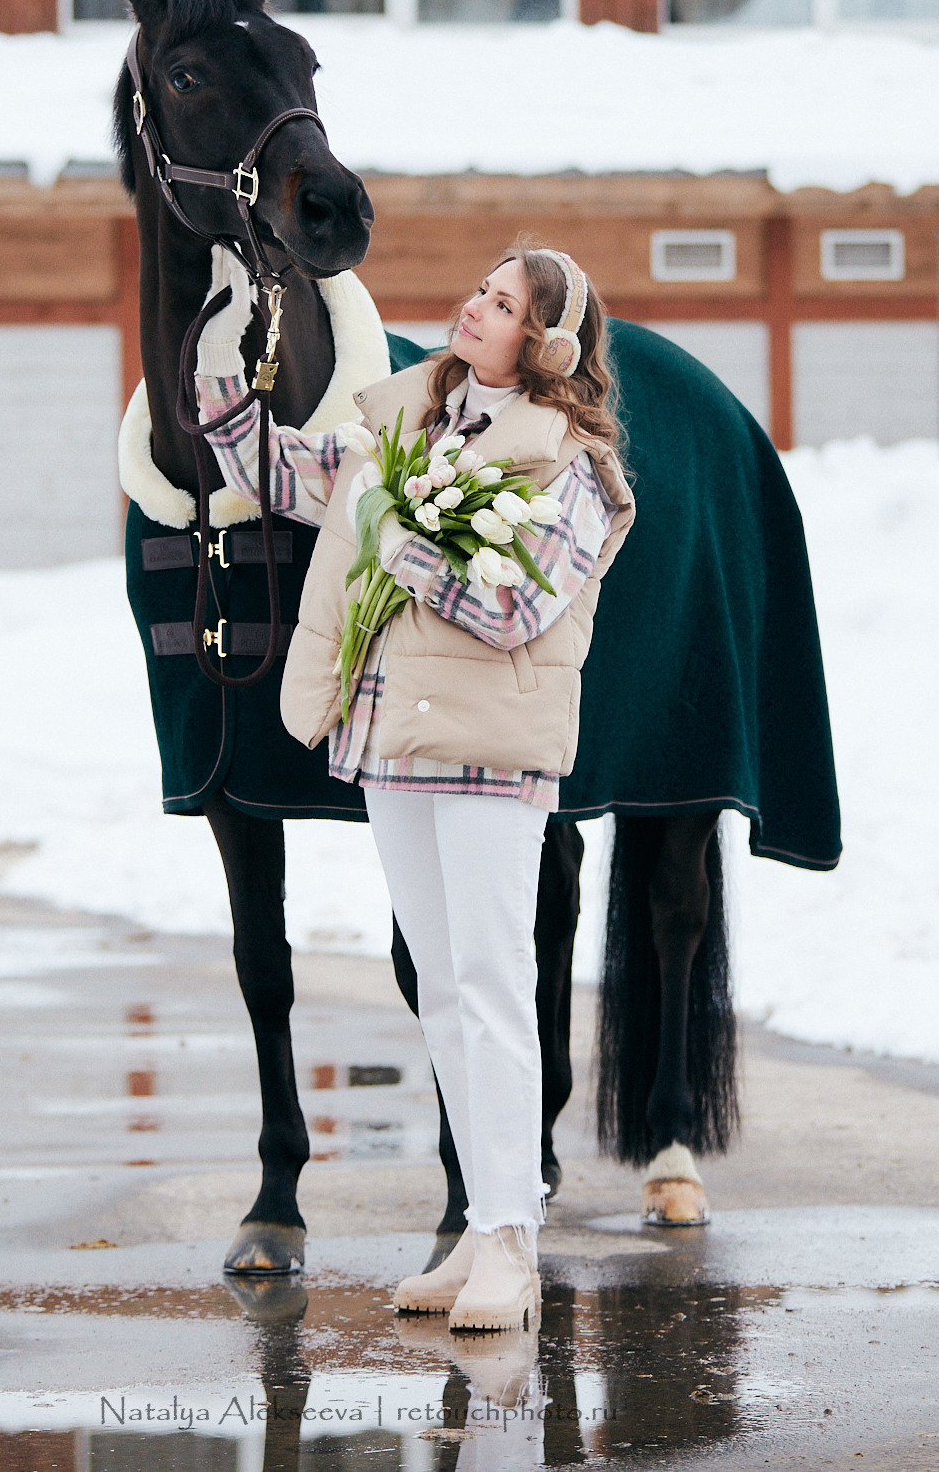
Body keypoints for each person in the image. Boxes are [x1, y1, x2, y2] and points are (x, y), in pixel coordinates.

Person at [196, 241, 635, 1333]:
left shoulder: (569, 463)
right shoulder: (407, 417)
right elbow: (291, 480)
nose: (472, 306)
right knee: (441, 989)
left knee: (492, 985)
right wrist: (210, 370)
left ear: (547, 343)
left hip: (492, 752)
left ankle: (512, 1245)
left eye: (501, 301)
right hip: (392, 742)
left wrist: (396, 540)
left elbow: (514, 612)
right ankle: (481, 1228)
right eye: (478, 289)